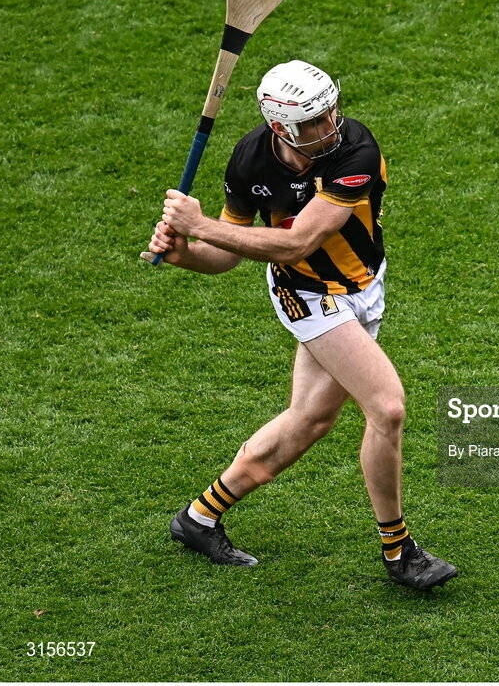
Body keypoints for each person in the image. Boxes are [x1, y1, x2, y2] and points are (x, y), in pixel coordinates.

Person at [141, 59, 457, 590]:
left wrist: (199, 228)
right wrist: (187, 252)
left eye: (331, 111)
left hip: (362, 286)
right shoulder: (249, 159)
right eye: (313, 122)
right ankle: (399, 551)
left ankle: (197, 518)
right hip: (306, 294)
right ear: (280, 126)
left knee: (310, 420)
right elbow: (227, 254)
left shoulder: (355, 149)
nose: (329, 125)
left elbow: (298, 241)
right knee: (387, 407)